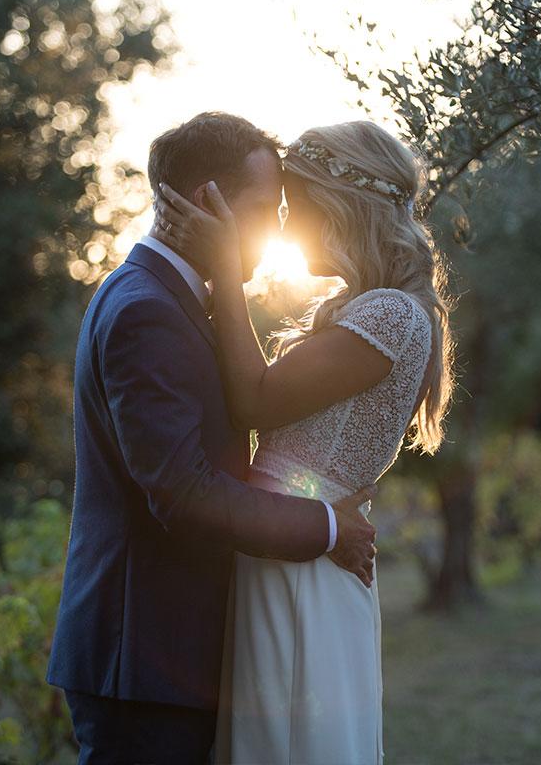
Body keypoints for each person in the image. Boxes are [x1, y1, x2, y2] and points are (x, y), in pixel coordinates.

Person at [46, 111, 381, 765]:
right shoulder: (148, 309)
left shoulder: (162, 298)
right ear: (210, 201)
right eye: (266, 208)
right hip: (143, 661)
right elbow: (180, 489)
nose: (279, 228)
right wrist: (327, 529)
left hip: (162, 659)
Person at [154, 119, 455, 764]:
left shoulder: (389, 314)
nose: (283, 229)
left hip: (305, 564)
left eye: (293, 208)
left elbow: (255, 400)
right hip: (293, 547)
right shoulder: (364, 308)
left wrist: (226, 275)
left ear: (337, 207)